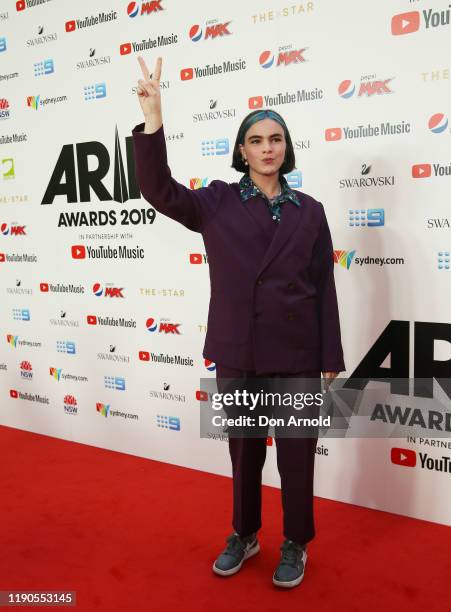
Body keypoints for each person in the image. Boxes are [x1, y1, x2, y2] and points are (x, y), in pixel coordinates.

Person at [132, 55, 345, 589]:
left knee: (297, 458)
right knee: (244, 452)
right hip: (240, 351)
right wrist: (154, 117)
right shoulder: (217, 201)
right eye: (256, 139)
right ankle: (245, 533)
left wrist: (329, 359)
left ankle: (295, 542)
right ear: (242, 150)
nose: (267, 147)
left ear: (286, 149)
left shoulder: (311, 210)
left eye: (276, 139)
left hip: (297, 354)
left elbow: (324, 287)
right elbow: (158, 189)